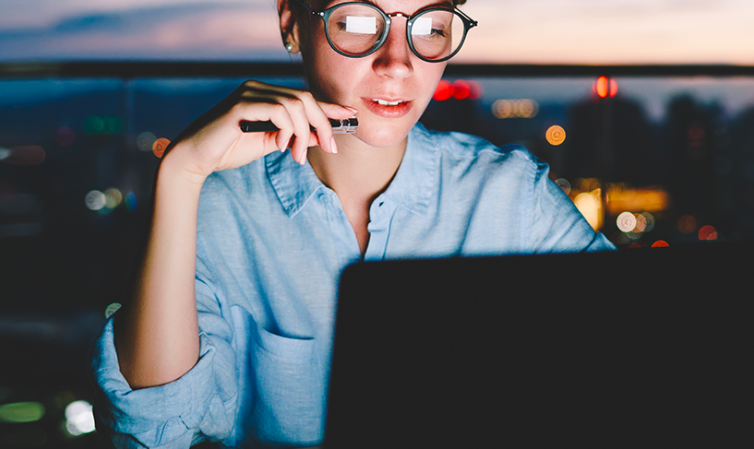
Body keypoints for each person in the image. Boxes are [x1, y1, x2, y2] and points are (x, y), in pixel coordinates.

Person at [91, 0, 615, 447]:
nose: (397, 63)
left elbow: (642, 355)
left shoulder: (510, 195)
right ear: (292, 23)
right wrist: (182, 171)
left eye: (430, 27)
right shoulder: (220, 206)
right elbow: (155, 431)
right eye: (360, 23)